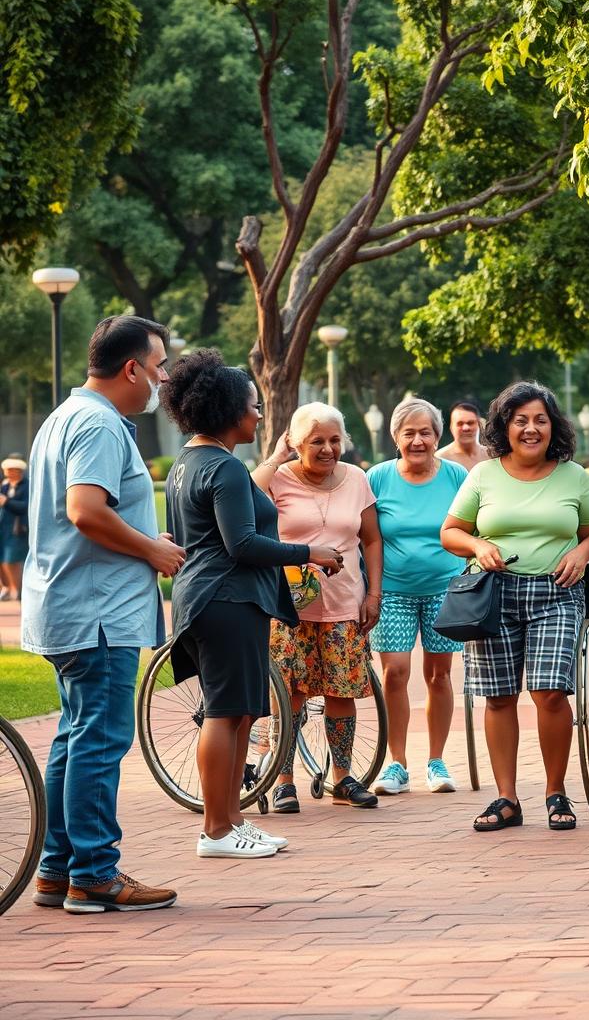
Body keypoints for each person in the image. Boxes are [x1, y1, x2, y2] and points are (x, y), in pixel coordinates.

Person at [23, 315, 184, 913]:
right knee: (98, 741)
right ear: (131, 369)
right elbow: (86, 510)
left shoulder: (66, 416)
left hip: (71, 605)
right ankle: (94, 873)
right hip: (97, 612)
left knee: (75, 738)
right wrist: (153, 549)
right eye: (160, 365)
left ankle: (58, 868)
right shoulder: (99, 423)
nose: (163, 379)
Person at [162, 349, 344, 860]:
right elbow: (241, 544)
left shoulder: (189, 462)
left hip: (213, 598)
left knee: (241, 713)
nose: (260, 414)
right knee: (224, 714)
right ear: (227, 410)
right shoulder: (222, 469)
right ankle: (216, 830)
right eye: (254, 405)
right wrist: (312, 552)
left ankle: (233, 820)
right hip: (226, 598)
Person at [441, 381, 589, 831]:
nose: (531, 429)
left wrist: (581, 552)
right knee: (498, 697)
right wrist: (477, 546)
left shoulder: (573, 475)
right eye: (521, 421)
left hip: (557, 592)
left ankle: (556, 791)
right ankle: (506, 799)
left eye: (540, 420)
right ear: (504, 426)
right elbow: (451, 531)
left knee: (549, 692)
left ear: (553, 426)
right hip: (494, 594)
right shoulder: (484, 475)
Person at [253, 402, 383, 812]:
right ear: (295, 442)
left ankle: (343, 778)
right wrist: (276, 457)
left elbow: (372, 540)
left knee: (340, 691)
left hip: (344, 603)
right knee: (287, 694)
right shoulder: (279, 479)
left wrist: (373, 593)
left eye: (334, 440)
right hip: (290, 605)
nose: (328, 449)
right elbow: (245, 494)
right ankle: (282, 779)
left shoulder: (357, 479)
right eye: (316, 442)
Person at [368, 399, 468, 794]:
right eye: (409, 433)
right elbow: (366, 536)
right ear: (395, 437)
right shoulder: (377, 478)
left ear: (437, 436)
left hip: (445, 588)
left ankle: (437, 761)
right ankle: (397, 762)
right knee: (395, 672)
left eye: (425, 432)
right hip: (393, 590)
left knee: (438, 675)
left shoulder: (456, 476)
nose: (418, 440)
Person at [0, 455, 29, 599]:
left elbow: (25, 506)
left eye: (12, 470)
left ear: (19, 471)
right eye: (7, 470)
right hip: (3, 526)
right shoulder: (5, 485)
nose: (9, 472)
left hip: (17, 528)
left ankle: (16, 589)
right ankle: (6, 587)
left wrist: (6, 501)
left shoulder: (26, 486)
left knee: (11, 560)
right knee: (2, 559)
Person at [436, 400, 489, 470]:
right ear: (451, 427)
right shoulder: (440, 459)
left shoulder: (491, 455)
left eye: (470, 423)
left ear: (479, 425)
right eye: (460, 424)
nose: (466, 428)